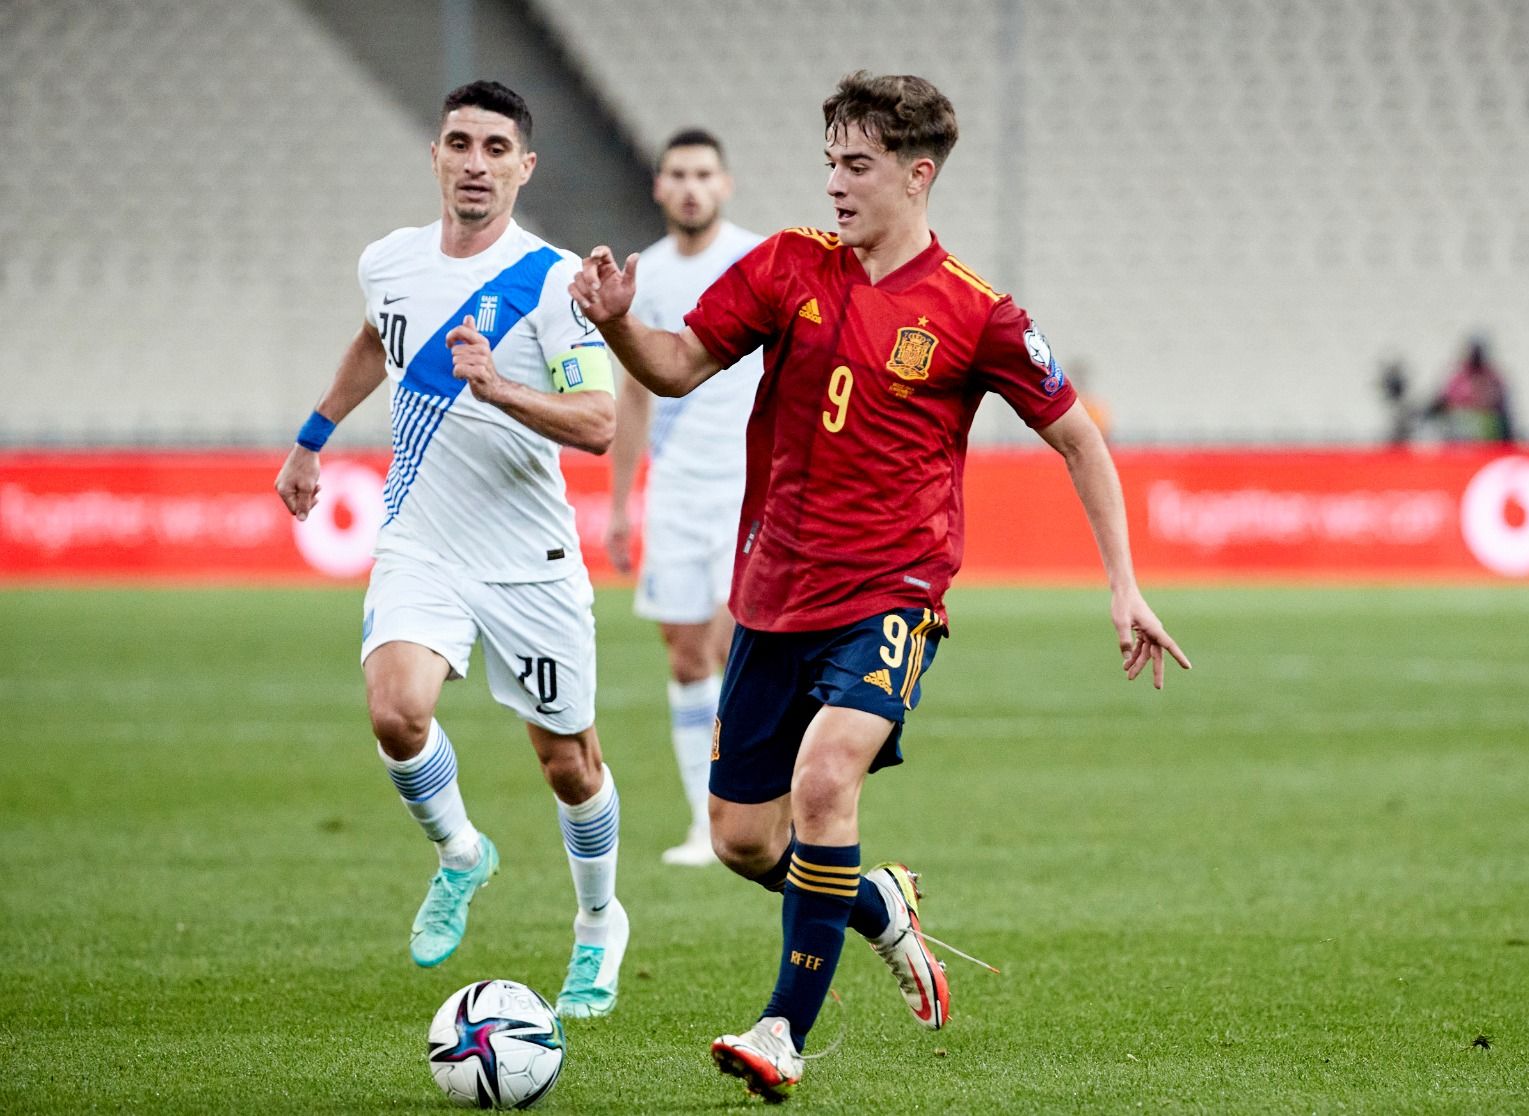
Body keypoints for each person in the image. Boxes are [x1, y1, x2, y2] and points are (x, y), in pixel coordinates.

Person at [571, 71, 1189, 1101]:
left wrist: (1122, 584)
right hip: (773, 590)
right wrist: (617, 325)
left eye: (856, 166)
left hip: (892, 593)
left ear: (916, 175)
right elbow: (674, 367)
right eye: (829, 163)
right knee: (742, 841)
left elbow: (1079, 438)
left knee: (825, 781)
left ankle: (782, 1031)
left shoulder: (978, 314)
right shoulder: (787, 265)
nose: (835, 184)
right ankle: (879, 908)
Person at [273, 80, 630, 1019]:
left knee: (570, 764)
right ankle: (462, 852)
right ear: (434, 155)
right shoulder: (387, 261)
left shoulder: (550, 280)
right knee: (396, 712)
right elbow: (375, 339)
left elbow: (599, 422)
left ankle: (599, 923)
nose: (476, 163)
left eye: (495, 148)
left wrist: (500, 388)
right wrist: (312, 436)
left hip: (528, 562)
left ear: (525, 167)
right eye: (460, 144)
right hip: (421, 542)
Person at [606, 129, 764, 867]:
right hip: (674, 491)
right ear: (660, 187)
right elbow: (634, 395)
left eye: (704, 173)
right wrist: (620, 505)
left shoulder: (756, 261)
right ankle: (705, 821)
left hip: (748, 488)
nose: (692, 187)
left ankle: (751, 809)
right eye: (679, 174)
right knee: (685, 656)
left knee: (739, 648)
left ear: (724, 184)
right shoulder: (646, 276)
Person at [1421, 337, 1515, 444]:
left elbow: (1503, 407)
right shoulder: (1458, 377)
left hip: (1486, 434)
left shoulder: (1493, 379)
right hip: (1458, 431)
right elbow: (1443, 399)